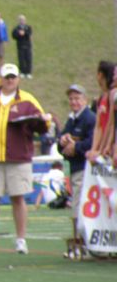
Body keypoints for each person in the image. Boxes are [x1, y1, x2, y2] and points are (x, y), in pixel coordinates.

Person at [0, 63, 51, 255]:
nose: (10, 80)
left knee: (18, 198)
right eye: (7, 77)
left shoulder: (28, 100)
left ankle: (21, 238)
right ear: (0, 79)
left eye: (13, 77)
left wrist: (40, 122)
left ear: (18, 79)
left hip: (18, 157)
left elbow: (44, 124)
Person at [57, 83, 95, 256]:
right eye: (71, 98)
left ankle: (82, 244)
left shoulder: (89, 118)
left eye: (77, 98)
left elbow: (93, 142)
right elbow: (62, 142)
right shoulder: (72, 119)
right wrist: (62, 142)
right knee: (77, 206)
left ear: (85, 99)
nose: (74, 102)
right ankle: (80, 243)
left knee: (79, 207)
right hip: (75, 169)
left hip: (85, 169)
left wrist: (76, 147)